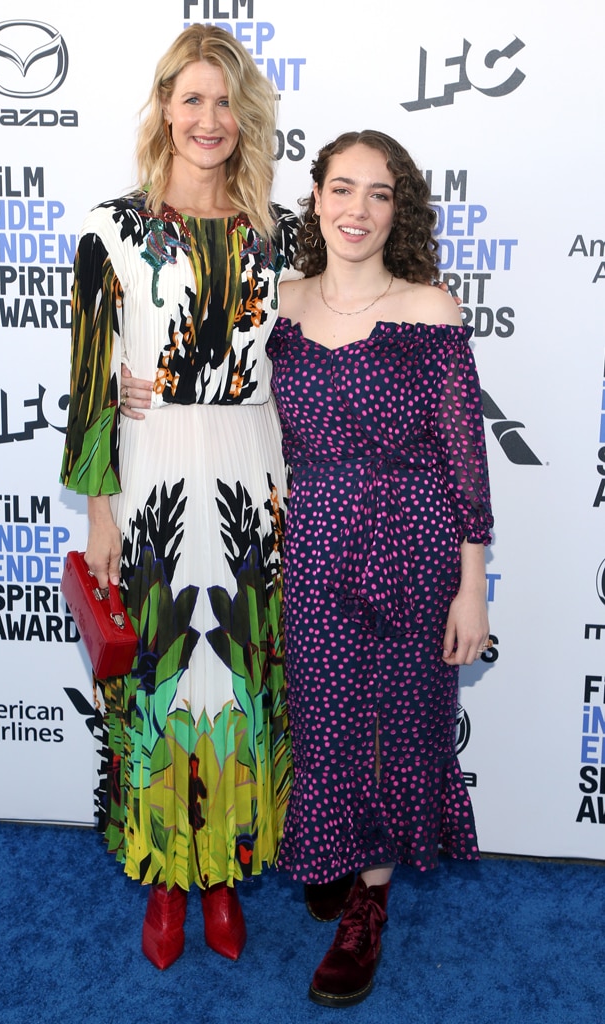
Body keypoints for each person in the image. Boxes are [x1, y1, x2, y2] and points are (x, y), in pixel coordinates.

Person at [60, 24, 299, 970]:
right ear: (165, 108)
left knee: (240, 675)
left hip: (251, 468)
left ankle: (230, 870)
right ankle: (166, 875)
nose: (209, 118)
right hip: (153, 469)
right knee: (161, 678)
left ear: (246, 118)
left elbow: (334, 330)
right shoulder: (108, 231)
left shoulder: (282, 235)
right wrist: (102, 511)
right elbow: (88, 389)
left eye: (225, 101)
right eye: (191, 98)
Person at [266, 130, 494, 1007]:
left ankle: (370, 903)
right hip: (316, 538)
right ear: (315, 198)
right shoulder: (279, 307)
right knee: (324, 721)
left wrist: (472, 584)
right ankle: (336, 851)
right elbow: (221, 402)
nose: (357, 209)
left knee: (402, 724)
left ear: (400, 212)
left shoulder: (430, 308)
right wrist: (141, 392)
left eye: (380, 194)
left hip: (413, 538)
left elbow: (465, 456)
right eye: (342, 188)